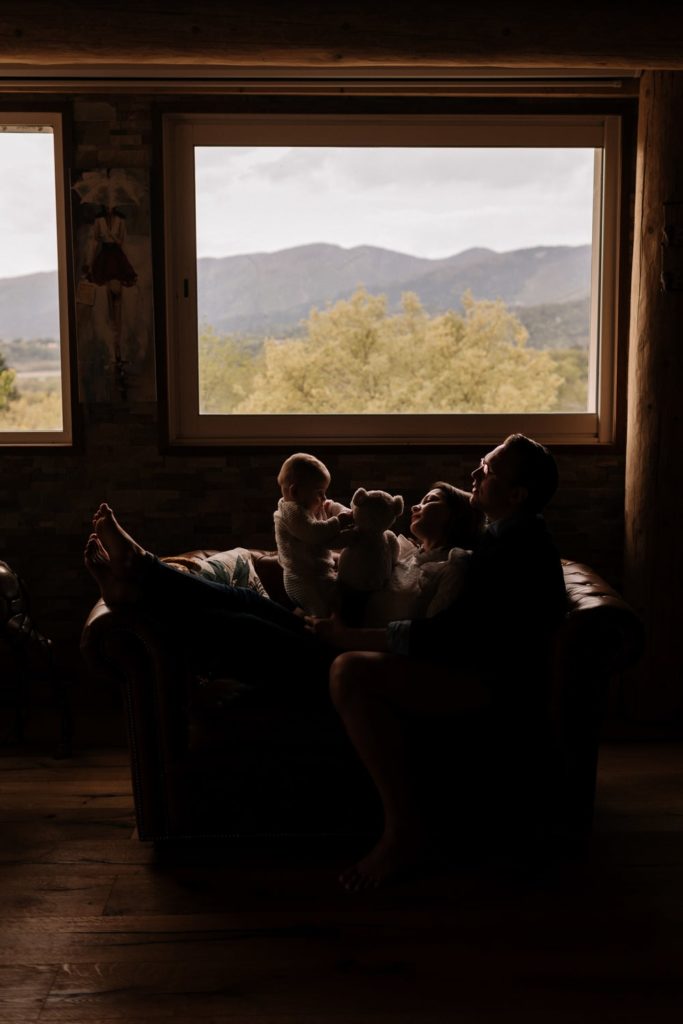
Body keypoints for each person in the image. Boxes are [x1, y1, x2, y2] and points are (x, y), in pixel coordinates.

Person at [308, 434, 568, 891]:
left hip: (488, 684)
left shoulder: (520, 549)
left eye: (486, 470)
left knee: (347, 668)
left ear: (517, 494)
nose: (474, 474)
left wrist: (352, 637)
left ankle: (404, 831)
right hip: (468, 666)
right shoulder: (499, 539)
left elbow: (454, 636)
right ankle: (163, 576)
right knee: (285, 630)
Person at [273, 452, 353, 617]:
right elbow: (315, 532)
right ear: (295, 492)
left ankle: (300, 614)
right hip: (304, 580)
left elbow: (330, 507)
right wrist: (339, 521)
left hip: (317, 575)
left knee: (337, 600)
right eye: (319, 492)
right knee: (325, 611)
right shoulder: (292, 512)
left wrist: (342, 511)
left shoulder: (306, 504)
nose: (324, 498)